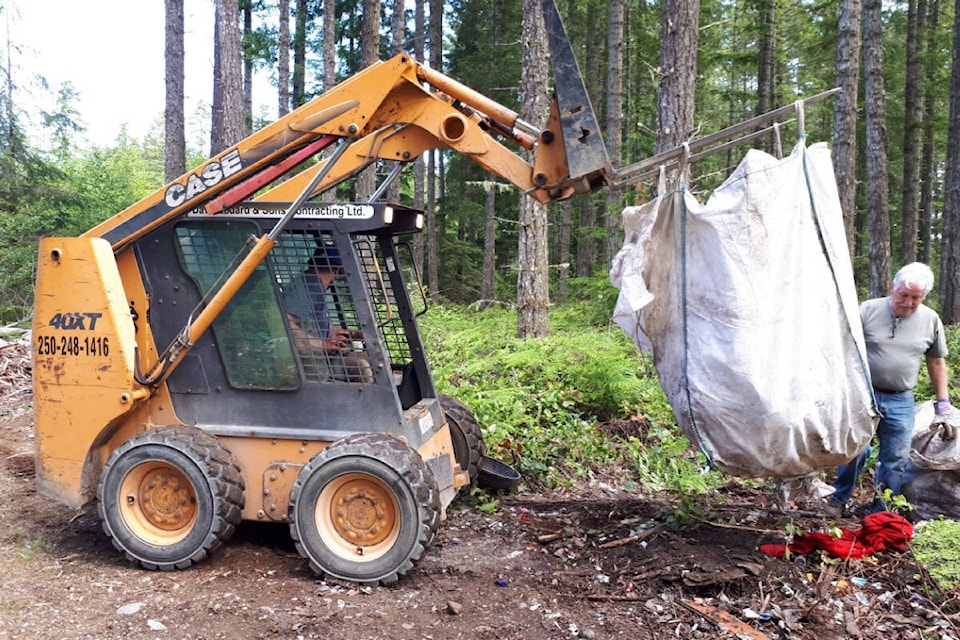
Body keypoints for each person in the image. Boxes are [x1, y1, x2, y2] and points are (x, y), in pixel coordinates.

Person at [825, 262, 952, 517]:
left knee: (895, 458)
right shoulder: (868, 311)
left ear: (923, 297)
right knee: (856, 450)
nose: (907, 302)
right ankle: (839, 500)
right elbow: (841, 348)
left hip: (900, 399)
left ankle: (881, 511)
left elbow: (936, 361)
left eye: (915, 298)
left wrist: (943, 404)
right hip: (863, 395)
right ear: (892, 289)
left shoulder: (930, 320)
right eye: (903, 295)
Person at [283, 243, 371, 382]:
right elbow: (286, 324)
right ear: (336, 271)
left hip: (321, 356)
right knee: (362, 367)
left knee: (372, 357)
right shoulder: (308, 287)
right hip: (310, 362)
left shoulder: (314, 287)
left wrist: (351, 334)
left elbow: (319, 325)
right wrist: (323, 345)